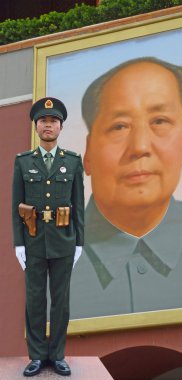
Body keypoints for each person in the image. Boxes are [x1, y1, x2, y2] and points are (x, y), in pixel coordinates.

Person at [69, 57, 182, 319]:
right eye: (119, 126)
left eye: (159, 121)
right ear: (88, 153)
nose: (139, 147)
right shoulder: (48, 256)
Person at [12, 97, 84, 376]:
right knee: (35, 299)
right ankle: (38, 355)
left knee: (61, 299)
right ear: (36, 127)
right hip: (32, 241)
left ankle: (58, 354)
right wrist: (18, 243)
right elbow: (15, 205)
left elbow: (79, 204)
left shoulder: (73, 162)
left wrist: (80, 242)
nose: (48, 125)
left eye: (53, 121)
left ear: (60, 127)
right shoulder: (23, 162)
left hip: (64, 241)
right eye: (43, 121)